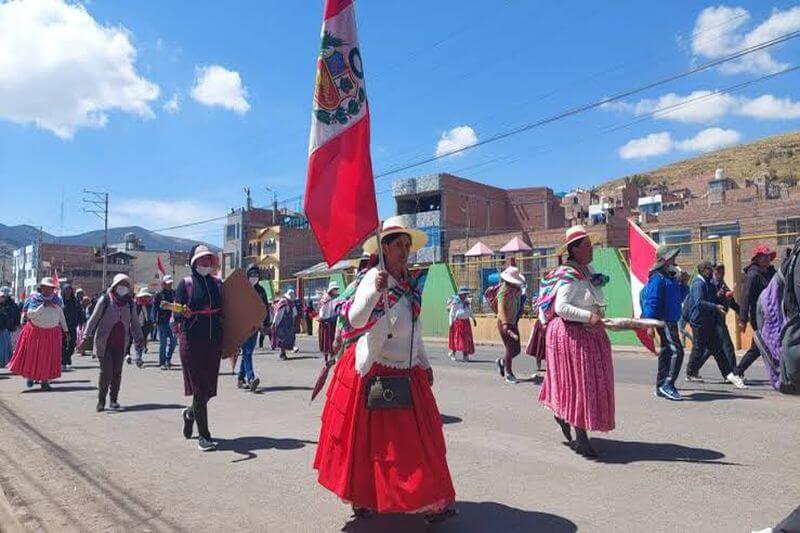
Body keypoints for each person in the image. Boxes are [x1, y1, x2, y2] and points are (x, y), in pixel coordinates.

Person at [313, 217, 456, 523]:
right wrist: (374, 293)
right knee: (371, 448)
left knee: (419, 444)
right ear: (385, 249)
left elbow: (414, 330)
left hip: (408, 371)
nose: (405, 251)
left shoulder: (410, 286)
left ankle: (431, 502)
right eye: (398, 246)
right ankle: (365, 498)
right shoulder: (373, 279)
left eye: (407, 245)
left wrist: (425, 362)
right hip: (375, 371)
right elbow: (355, 318)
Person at [537, 226, 614, 458]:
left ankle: (564, 414)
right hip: (571, 335)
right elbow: (561, 308)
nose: (592, 249)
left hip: (588, 333)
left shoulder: (587, 270)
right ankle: (581, 439)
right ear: (575, 249)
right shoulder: (568, 275)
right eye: (587, 246)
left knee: (588, 384)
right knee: (580, 384)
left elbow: (591, 296)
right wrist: (588, 316)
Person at [175, 245, 224, 452]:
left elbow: (228, 312)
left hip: (214, 342)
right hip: (192, 342)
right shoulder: (185, 284)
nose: (206, 264)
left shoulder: (218, 284)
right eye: (202, 261)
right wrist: (183, 312)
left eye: (208, 260)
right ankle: (204, 437)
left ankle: (190, 414)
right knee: (199, 389)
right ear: (193, 262)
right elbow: (175, 312)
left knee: (209, 390)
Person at [83, 274, 144, 411]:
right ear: (115, 285)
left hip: (121, 343)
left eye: (126, 284)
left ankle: (114, 400)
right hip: (104, 343)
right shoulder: (105, 300)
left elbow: (134, 322)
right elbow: (93, 319)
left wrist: (139, 339)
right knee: (106, 372)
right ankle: (101, 400)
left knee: (117, 372)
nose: (123, 287)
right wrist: (86, 335)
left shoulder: (130, 303)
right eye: (121, 284)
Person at [685, 262, 747, 389]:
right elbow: (699, 302)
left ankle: (728, 374)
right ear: (703, 270)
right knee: (699, 348)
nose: (713, 272)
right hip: (699, 321)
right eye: (710, 270)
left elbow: (712, 298)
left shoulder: (709, 283)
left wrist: (720, 296)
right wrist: (715, 306)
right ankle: (691, 372)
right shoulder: (698, 283)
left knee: (717, 349)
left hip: (708, 321)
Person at [640, 246, 687, 400]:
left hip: (672, 320)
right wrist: (649, 324)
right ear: (664, 260)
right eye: (671, 257)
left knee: (667, 352)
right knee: (677, 351)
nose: (674, 260)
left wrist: (684, 284)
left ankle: (660, 386)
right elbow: (651, 302)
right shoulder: (657, 278)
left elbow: (679, 298)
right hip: (664, 321)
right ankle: (668, 384)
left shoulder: (671, 278)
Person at [8, 278, 68, 391]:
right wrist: (43, 306)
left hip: (51, 333)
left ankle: (45, 381)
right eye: (46, 287)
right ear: (41, 288)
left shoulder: (57, 301)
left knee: (47, 358)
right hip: (36, 332)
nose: (48, 290)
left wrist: (66, 330)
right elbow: (30, 315)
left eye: (51, 288)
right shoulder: (34, 299)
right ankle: (30, 376)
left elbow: (61, 316)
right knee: (33, 356)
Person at [735, 245, 777, 380]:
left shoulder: (771, 273)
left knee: (766, 345)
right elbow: (745, 297)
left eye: (768, 256)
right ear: (757, 258)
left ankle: (738, 371)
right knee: (760, 346)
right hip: (759, 316)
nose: (767, 259)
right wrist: (742, 319)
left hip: (772, 314)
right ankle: (737, 372)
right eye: (763, 256)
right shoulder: (752, 274)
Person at [237, 265, 268, 391]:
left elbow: (266, 307)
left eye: (256, 275)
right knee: (247, 351)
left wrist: (266, 323)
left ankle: (240, 378)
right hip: (244, 326)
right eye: (251, 274)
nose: (254, 277)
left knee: (248, 352)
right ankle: (251, 378)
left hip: (256, 326)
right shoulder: (242, 291)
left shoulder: (261, 291)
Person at [495, 266, 525, 384]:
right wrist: (505, 324)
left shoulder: (516, 291)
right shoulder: (503, 292)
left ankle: (502, 362)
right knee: (509, 347)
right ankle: (509, 373)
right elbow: (501, 309)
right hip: (504, 323)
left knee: (516, 349)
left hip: (513, 322)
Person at [153, 275, 177, 370]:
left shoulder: (174, 293)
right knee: (163, 343)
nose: (169, 285)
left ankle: (168, 359)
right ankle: (162, 362)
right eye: (167, 283)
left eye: (170, 283)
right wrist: (154, 320)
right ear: (163, 284)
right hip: (162, 322)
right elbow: (154, 309)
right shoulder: (159, 295)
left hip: (173, 322)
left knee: (173, 341)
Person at [127, 288, 155, 367]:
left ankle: (139, 357)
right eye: (144, 296)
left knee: (142, 341)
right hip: (135, 325)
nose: (145, 298)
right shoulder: (135, 304)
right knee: (135, 341)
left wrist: (152, 323)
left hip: (145, 325)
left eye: (146, 296)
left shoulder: (149, 304)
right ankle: (136, 357)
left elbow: (151, 315)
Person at [447, 287, 476, 362]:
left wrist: (473, 319)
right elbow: (452, 313)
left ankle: (465, 355)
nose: (464, 296)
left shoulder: (467, 302)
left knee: (466, 340)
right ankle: (453, 353)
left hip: (466, 323)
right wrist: (451, 323)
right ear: (460, 294)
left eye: (465, 294)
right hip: (458, 323)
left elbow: (470, 311)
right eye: (463, 294)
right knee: (457, 339)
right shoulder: (456, 302)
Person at [59, 283, 83, 371]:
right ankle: (64, 362)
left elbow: (80, 312)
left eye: (69, 290)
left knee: (72, 345)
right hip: (62, 327)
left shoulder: (75, 301)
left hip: (72, 327)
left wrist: (81, 321)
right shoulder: (60, 301)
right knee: (63, 345)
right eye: (66, 290)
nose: (68, 292)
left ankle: (66, 359)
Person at [316, 281, 340, 362]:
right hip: (326, 321)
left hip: (331, 320)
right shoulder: (326, 299)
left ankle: (331, 357)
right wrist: (324, 318)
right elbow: (323, 312)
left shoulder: (333, 298)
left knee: (332, 339)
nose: (336, 291)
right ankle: (327, 357)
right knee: (327, 340)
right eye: (335, 289)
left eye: (336, 289)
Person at [271, 289, 298, 360]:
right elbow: (278, 314)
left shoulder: (292, 305)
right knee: (282, 339)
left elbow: (295, 314)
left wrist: (293, 323)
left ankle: (284, 352)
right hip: (282, 324)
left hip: (288, 324)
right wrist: (274, 323)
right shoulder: (282, 304)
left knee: (288, 339)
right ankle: (282, 353)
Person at [0, 287, 21, 367]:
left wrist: (15, 325)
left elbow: (16, 316)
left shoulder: (12, 305)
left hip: (7, 329)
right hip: (5, 328)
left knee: (6, 348)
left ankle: (6, 363)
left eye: (3, 296)